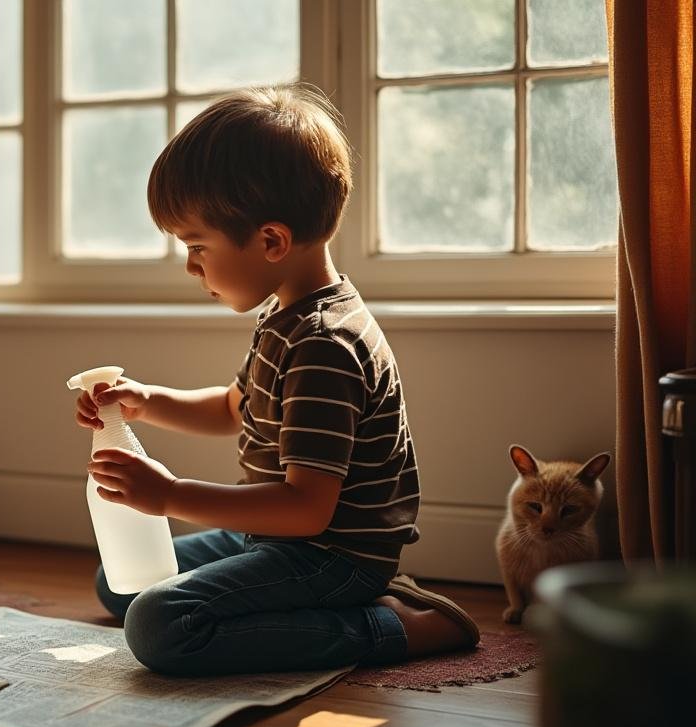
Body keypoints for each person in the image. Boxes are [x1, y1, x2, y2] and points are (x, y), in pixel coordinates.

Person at [74, 86, 480, 676]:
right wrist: (144, 401)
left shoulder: (324, 344)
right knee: (121, 581)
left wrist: (168, 496)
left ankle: (394, 624)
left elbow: (306, 511)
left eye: (195, 246)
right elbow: (233, 409)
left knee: (160, 627)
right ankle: (294, 607)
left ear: (270, 241)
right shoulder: (285, 318)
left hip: (332, 555)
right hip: (275, 540)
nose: (190, 266)